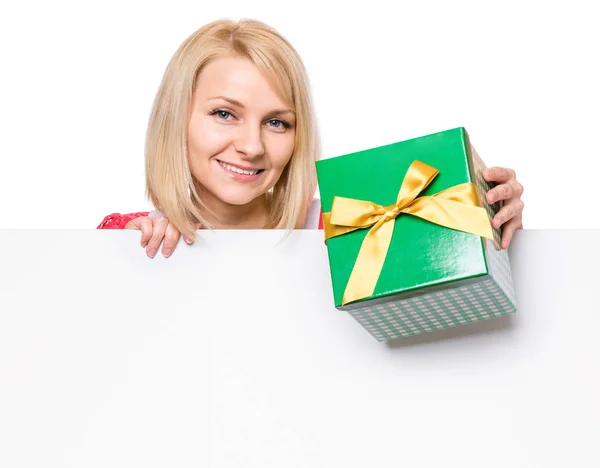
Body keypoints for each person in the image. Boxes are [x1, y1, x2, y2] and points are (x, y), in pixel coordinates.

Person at [97, 19, 525, 257]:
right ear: (177, 120)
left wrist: (490, 223)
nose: (251, 146)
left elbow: (443, 278)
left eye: (277, 122)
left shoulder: (350, 229)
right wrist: (131, 258)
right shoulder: (135, 235)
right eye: (224, 114)